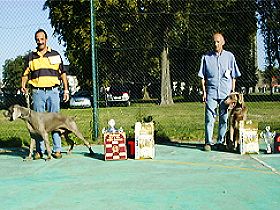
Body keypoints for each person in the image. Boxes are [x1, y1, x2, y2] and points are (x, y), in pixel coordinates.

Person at [21, 29, 70, 159]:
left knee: (55, 121)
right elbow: (25, 74)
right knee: (37, 123)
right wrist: (23, 85)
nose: (40, 41)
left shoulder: (55, 54)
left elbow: (63, 73)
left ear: (46, 39)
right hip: (37, 93)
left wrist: (66, 90)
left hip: (53, 91)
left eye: (42, 38)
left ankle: (57, 149)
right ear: (35, 40)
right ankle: (40, 150)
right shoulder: (31, 57)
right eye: (37, 39)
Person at [198, 32, 241, 151]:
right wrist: (204, 92)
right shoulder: (206, 57)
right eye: (214, 42)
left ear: (223, 42)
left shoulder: (230, 57)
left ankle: (220, 142)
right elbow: (202, 77)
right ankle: (208, 142)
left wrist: (232, 93)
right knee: (209, 118)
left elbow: (233, 76)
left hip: (225, 94)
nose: (216, 44)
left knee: (224, 118)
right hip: (211, 93)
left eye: (218, 41)